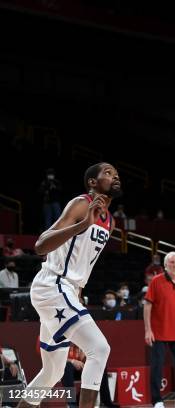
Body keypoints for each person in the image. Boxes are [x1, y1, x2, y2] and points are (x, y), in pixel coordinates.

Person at [17, 162, 121, 408]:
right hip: (52, 285)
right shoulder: (81, 204)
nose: (115, 176)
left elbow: (83, 261)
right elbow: (41, 245)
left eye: (116, 174)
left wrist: (78, 294)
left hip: (68, 291)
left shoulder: (110, 222)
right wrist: (82, 225)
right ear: (92, 183)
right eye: (108, 173)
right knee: (99, 349)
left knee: (51, 372)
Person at [143, 252, 175, 408]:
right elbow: (147, 306)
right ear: (165, 265)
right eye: (171, 262)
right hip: (158, 332)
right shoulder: (156, 281)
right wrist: (148, 330)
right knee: (157, 366)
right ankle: (157, 400)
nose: (174, 265)